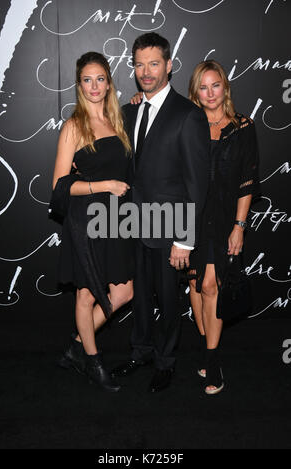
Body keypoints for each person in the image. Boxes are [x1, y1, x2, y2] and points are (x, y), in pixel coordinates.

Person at [112, 33, 210, 392]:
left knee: (169, 300)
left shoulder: (188, 115)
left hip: (170, 228)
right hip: (134, 223)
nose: (146, 71)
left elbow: (196, 183)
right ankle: (140, 351)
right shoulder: (132, 109)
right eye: (139, 64)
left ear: (169, 65)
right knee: (139, 296)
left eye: (154, 63)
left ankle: (166, 362)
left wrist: (184, 239)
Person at [51, 52, 134, 392]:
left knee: (124, 291)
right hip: (86, 220)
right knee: (86, 295)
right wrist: (105, 185)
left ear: (109, 82)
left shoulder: (119, 122)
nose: (95, 85)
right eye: (87, 79)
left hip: (117, 220)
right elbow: (58, 186)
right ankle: (94, 362)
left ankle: (75, 347)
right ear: (79, 84)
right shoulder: (74, 127)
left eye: (100, 78)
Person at [187, 60, 260, 394]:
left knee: (212, 286)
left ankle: (213, 362)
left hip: (223, 219)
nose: (210, 93)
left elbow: (247, 182)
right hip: (191, 218)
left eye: (215, 85)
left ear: (225, 88)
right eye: (203, 86)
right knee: (196, 287)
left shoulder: (243, 127)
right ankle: (205, 349)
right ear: (195, 92)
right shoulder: (187, 125)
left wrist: (239, 226)